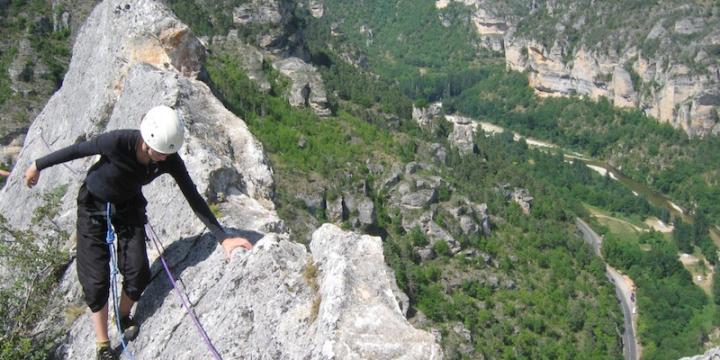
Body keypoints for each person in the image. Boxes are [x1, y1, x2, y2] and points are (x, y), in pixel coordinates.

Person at [24, 105, 253, 360]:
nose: (165, 159)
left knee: (138, 273)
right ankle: (102, 345)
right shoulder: (118, 142)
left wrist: (223, 238)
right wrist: (37, 165)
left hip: (128, 205)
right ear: (147, 140)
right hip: (93, 204)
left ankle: (122, 316)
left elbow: (192, 195)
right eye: (161, 153)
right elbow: (78, 150)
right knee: (96, 280)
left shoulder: (168, 157)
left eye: (169, 153)